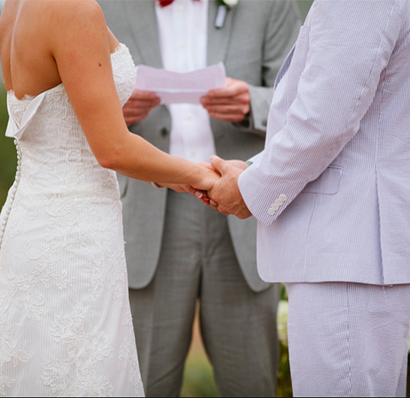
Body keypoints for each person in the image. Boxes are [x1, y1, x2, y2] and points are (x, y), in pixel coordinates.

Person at [0, 0, 219, 396]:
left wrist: (162, 172)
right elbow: (112, 149)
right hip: (74, 235)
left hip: (31, 219)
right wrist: (198, 174)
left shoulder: (15, 7)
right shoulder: (73, 9)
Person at [205, 0, 410, 396]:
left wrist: (252, 192)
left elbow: (324, 120)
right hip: (368, 245)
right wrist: (254, 170)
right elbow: (369, 117)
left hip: (346, 248)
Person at [98, 0, 300, 395]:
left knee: (252, 383)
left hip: (243, 212)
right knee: (144, 382)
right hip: (146, 214)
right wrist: (111, 108)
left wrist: (253, 104)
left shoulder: (271, 4)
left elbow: (308, 97)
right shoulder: (105, 5)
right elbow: (71, 94)